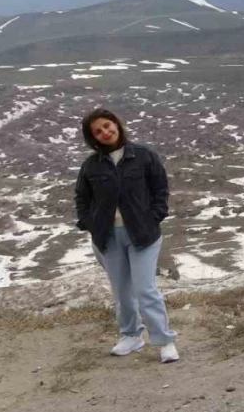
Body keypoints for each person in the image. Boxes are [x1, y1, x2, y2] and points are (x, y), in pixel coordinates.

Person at [74, 108, 179, 363]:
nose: (105, 132)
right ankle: (131, 336)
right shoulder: (91, 166)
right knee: (122, 292)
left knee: (145, 289)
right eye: (98, 131)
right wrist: (90, 224)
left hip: (143, 234)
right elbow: (82, 197)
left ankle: (164, 341)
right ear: (93, 138)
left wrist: (155, 216)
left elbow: (160, 188)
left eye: (107, 126)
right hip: (108, 238)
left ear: (117, 125)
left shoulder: (143, 156)